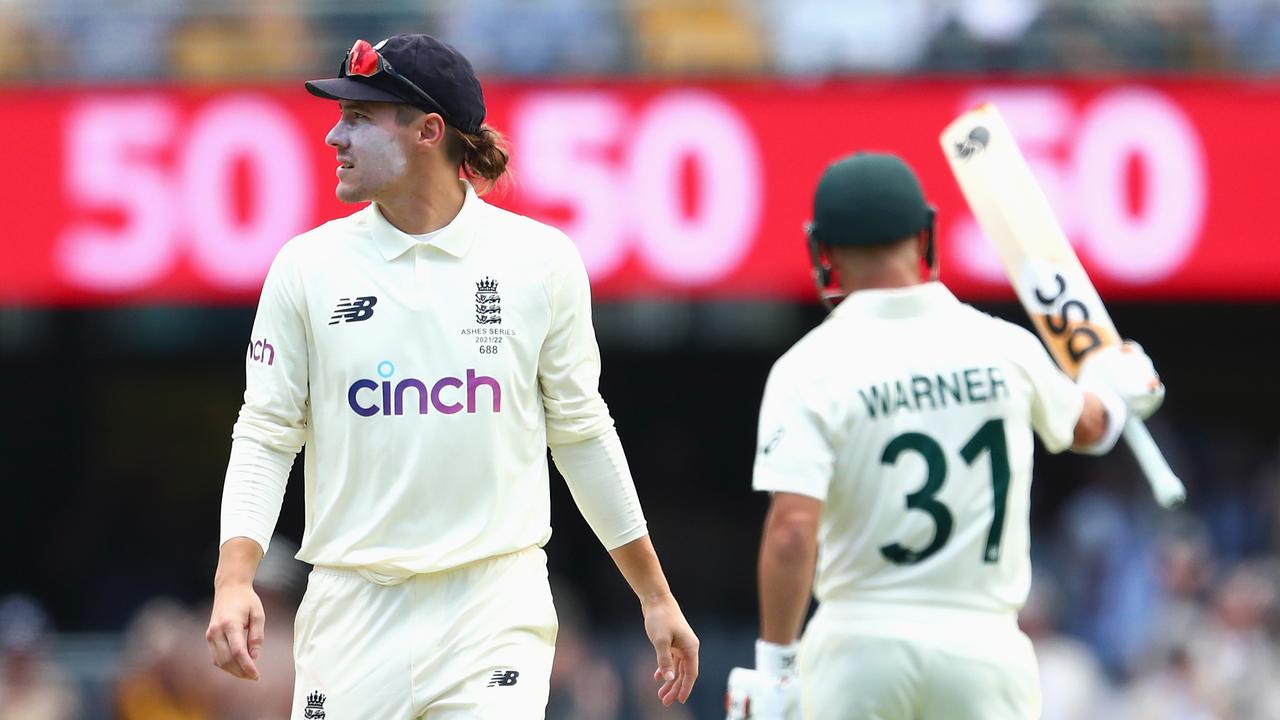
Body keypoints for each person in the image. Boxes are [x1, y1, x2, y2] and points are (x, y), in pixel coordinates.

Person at [204, 33, 699, 719]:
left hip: (493, 605)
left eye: (358, 118)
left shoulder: (540, 262)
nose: (333, 138)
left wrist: (655, 595)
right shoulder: (306, 269)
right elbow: (265, 435)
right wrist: (235, 580)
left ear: (428, 131)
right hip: (353, 610)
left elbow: (583, 434)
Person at [725, 152, 1165, 720]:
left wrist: (777, 667)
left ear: (824, 252)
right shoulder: (1005, 347)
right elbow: (1091, 425)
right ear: (924, 237)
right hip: (984, 652)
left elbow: (791, 532)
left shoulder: (806, 369)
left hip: (859, 646)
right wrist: (1116, 386)